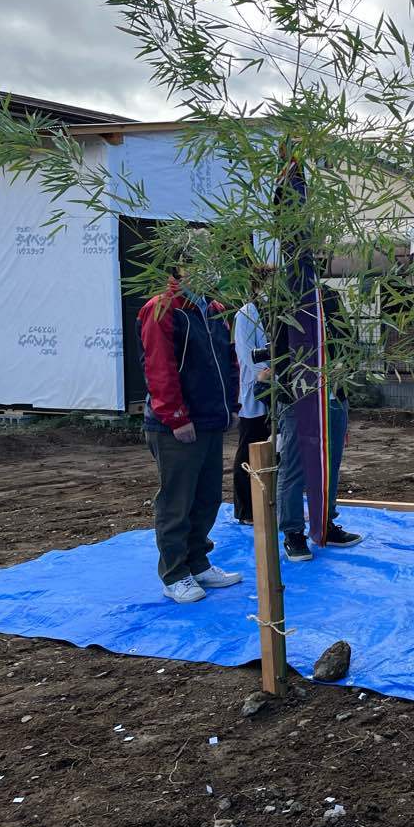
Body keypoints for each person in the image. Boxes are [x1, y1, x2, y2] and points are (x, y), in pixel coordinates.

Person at [137, 231, 244, 603]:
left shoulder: (213, 310)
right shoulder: (163, 309)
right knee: (176, 500)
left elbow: (229, 361)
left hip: (211, 418)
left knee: (207, 496)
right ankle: (175, 572)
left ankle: (198, 561)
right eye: (204, 259)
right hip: (178, 424)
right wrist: (176, 416)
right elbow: (159, 369)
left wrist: (231, 405)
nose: (214, 267)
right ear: (183, 264)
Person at [270, 283, 363, 562]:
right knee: (295, 467)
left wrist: (344, 365)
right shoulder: (284, 297)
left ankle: (325, 523)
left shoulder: (329, 295)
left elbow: (347, 339)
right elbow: (279, 354)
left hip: (334, 395)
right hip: (300, 398)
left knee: (330, 464)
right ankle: (293, 532)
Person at [231, 265, 273, 524]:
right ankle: (245, 508)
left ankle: (267, 501)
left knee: (272, 449)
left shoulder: (277, 314)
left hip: (276, 388)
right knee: (249, 448)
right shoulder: (247, 314)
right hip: (256, 387)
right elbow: (247, 354)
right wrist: (268, 370)